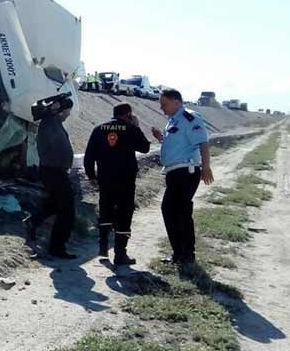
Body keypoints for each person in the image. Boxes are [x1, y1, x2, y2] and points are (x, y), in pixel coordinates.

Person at [151, 89, 214, 266]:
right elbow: (178, 143)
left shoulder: (189, 117)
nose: (161, 108)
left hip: (186, 172)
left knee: (179, 212)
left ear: (177, 102)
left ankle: (186, 254)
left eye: (164, 104)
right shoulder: (173, 120)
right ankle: (179, 253)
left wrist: (206, 167)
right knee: (173, 211)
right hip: (174, 172)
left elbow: (203, 142)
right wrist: (161, 138)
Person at [84, 103, 151, 265]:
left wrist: (91, 176)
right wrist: (136, 127)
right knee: (124, 214)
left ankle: (103, 247)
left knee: (105, 210)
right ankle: (120, 254)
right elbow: (145, 147)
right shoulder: (131, 129)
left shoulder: (99, 129)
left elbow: (89, 156)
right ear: (128, 114)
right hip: (126, 181)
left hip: (105, 179)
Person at [36, 96, 77, 259]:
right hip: (54, 171)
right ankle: (57, 247)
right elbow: (54, 147)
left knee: (55, 204)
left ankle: (33, 222)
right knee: (67, 210)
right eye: (67, 110)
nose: (68, 114)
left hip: (53, 170)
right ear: (61, 110)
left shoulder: (53, 123)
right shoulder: (50, 122)